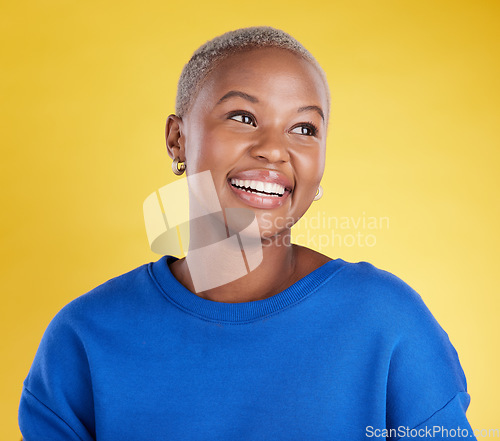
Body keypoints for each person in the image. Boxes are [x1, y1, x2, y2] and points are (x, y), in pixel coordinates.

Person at [19, 26, 476, 440]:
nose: (274, 149)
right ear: (177, 139)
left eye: (304, 128)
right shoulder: (85, 338)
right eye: (242, 117)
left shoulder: (388, 324)